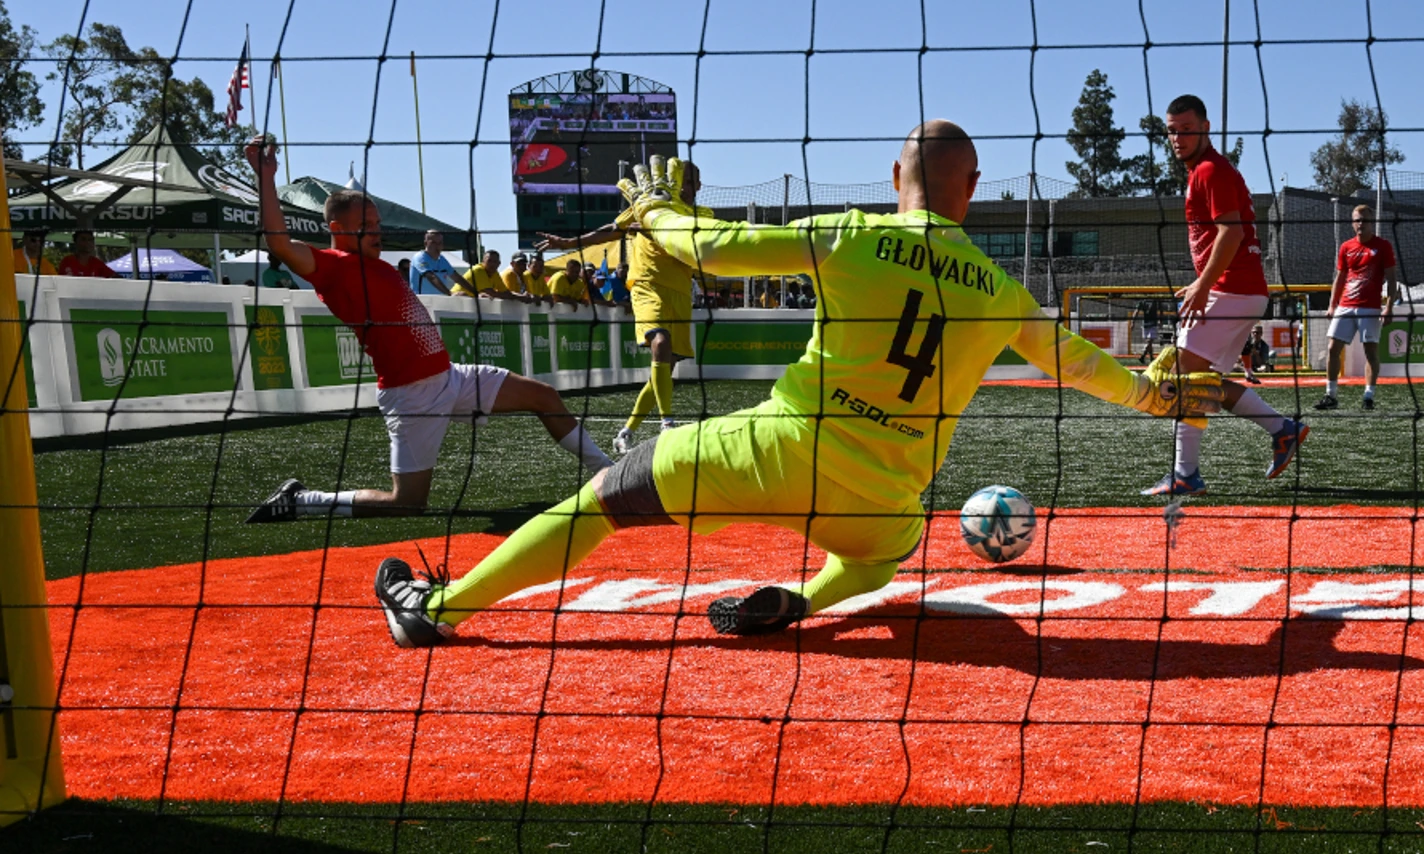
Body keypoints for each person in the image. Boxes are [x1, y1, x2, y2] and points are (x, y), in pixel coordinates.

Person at [370, 122, 1226, 647]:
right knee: (880, 558)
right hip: (883, 492)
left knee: (601, 499)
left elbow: (706, 249)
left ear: (897, 180)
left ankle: (439, 603)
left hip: (779, 450)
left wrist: (653, 213)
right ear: (970, 190)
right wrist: (1160, 396)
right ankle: (810, 599)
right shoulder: (1005, 295)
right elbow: (1095, 375)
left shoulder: (849, 233)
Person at [238, 136, 612, 523]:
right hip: (412, 397)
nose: (377, 231)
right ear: (337, 228)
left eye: (378, 222)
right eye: (366, 225)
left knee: (544, 396)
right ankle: (302, 501)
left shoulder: (378, 263)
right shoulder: (331, 265)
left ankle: (607, 472)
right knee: (408, 503)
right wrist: (265, 177)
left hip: (451, 378)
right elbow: (280, 244)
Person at [1141, 94, 1306, 496]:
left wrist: (1202, 285)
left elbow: (1230, 233)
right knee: (1204, 383)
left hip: (1230, 290)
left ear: (1205, 127)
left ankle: (1185, 475)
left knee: (1179, 379)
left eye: (1186, 130)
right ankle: (1283, 430)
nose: (1178, 138)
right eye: (1172, 131)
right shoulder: (1209, 169)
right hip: (1242, 292)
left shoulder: (1210, 170)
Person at [539, 159, 716, 457]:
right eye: (681, 180)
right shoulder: (647, 202)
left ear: (697, 186)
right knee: (660, 343)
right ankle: (667, 424)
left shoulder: (703, 215)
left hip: (680, 294)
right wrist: (570, 241)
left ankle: (626, 432)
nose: (683, 186)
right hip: (647, 286)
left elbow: (704, 251)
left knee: (664, 371)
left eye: (689, 181)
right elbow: (611, 230)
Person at [1316, 205, 1396, 411]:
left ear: (1371, 222)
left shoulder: (1383, 246)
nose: (1360, 224)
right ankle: (1330, 395)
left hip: (1370, 308)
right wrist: (1332, 305)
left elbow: (1392, 278)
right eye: (1357, 220)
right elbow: (1340, 278)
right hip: (1345, 306)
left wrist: (1389, 308)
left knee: (1371, 352)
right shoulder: (1346, 247)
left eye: (1364, 220)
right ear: (1352, 223)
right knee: (1333, 349)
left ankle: (1368, 396)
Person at [409, 230, 458, 296]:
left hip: (438, 302)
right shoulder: (419, 257)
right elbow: (432, 277)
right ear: (426, 243)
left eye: (440, 243)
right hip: (421, 302)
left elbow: (456, 277)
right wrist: (450, 293)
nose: (437, 246)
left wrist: (475, 293)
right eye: (433, 243)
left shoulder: (442, 259)